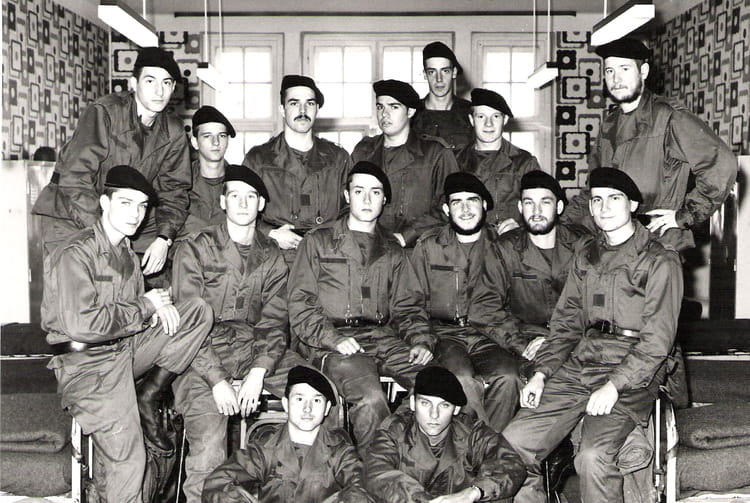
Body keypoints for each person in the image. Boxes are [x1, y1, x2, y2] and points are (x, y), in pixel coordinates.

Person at [502, 168, 683, 503]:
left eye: (614, 198)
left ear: (633, 204)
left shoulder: (660, 260)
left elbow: (657, 342)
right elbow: (566, 323)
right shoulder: (586, 255)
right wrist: (541, 374)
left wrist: (614, 385)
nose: (604, 207)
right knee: (512, 443)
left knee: (593, 456)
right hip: (582, 363)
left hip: (633, 370)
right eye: (597, 199)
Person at [41, 166, 212, 503]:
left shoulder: (128, 256)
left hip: (125, 352)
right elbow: (82, 324)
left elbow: (132, 316)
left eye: (142, 206)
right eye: (126, 203)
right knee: (130, 461)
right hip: (88, 367)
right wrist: (145, 306)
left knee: (196, 311)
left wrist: (156, 310)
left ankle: (150, 391)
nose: (136, 214)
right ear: (104, 202)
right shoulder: (75, 253)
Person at [171, 165, 307, 502]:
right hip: (198, 354)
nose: (243, 203)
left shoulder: (271, 255)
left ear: (261, 204)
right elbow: (188, 325)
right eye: (235, 195)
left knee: (315, 394)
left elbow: (274, 322)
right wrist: (218, 380)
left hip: (252, 348)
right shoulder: (195, 247)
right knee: (209, 442)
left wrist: (259, 371)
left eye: (251, 197)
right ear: (223, 201)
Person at [288, 161, 434, 449]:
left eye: (375, 192)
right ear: (347, 195)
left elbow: (408, 306)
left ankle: (399, 450)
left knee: (436, 384)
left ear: (384, 199)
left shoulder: (392, 249)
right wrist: (332, 339)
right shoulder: (318, 242)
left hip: (382, 337)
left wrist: (420, 340)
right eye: (359, 191)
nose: (367, 199)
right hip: (331, 341)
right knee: (371, 399)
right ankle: (378, 468)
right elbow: (300, 303)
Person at [563, 37, 736, 251]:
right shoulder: (609, 123)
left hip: (659, 245)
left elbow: (722, 164)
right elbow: (593, 189)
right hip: (618, 244)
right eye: (609, 71)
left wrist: (685, 215)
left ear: (643, 71)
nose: (616, 79)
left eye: (624, 68)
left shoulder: (669, 117)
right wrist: (562, 226)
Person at [33, 47, 191, 278]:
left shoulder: (174, 132)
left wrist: (163, 239)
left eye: (166, 83)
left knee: (148, 277)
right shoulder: (105, 112)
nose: (159, 91)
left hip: (120, 217)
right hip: (69, 214)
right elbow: (75, 179)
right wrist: (105, 234)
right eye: (150, 81)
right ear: (133, 84)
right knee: (79, 286)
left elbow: (174, 191)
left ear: (173, 87)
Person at [411, 172, 520, 433]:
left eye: (472, 200)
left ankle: (488, 444)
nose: (466, 209)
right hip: (444, 335)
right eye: (457, 202)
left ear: (485, 205)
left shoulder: (504, 245)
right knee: (461, 378)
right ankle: (478, 446)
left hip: (490, 335)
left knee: (509, 377)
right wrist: (421, 339)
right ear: (446, 209)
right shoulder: (429, 246)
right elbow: (410, 302)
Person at [202, 365, 373, 503]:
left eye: (316, 400)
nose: (307, 408)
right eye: (299, 399)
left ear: (327, 408)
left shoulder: (340, 451)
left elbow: (362, 488)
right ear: (286, 404)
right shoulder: (265, 448)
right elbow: (218, 482)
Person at [364, 366, 526, 502]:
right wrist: (421, 498)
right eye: (425, 403)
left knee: (497, 493)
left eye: (444, 405)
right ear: (413, 404)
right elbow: (377, 472)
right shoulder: (394, 431)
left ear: (456, 409)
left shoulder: (472, 432)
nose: (434, 414)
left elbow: (510, 464)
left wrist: (474, 492)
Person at [242, 75, 352, 259]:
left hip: (327, 259)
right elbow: (239, 210)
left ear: (317, 109)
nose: (303, 110)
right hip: (276, 259)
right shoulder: (259, 159)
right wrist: (270, 233)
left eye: (310, 103)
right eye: (294, 103)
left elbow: (351, 210)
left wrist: (329, 238)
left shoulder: (338, 158)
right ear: (282, 109)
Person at [352, 79, 458, 247]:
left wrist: (406, 236)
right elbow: (347, 201)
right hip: (369, 246)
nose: (384, 114)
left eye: (394, 107)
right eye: (380, 107)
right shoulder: (363, 152)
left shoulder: (436, 154)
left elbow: (451, 205)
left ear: (410, 111)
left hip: (420, 250)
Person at [456, 88, 541, 235]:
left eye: (495, 116)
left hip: (510, 241)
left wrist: (521, 226)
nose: (488, 124)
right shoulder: (456, 160)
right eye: (481, 116)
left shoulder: (524, 162)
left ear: (505, 120)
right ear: (471, 120)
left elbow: (539, 207)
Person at [179, 105, 235, 237]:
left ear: (227, 141)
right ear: (195, 142)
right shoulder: (179, 181)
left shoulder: (240, 183)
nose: (216, 142)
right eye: (207, 136)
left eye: (222, 136)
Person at [410, 41, 473, 151]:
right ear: (425, 74)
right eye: (432, 72)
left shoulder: (470, 112)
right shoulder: (412, 114)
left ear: (454, 72)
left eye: (445, 71)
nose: (439, 79)